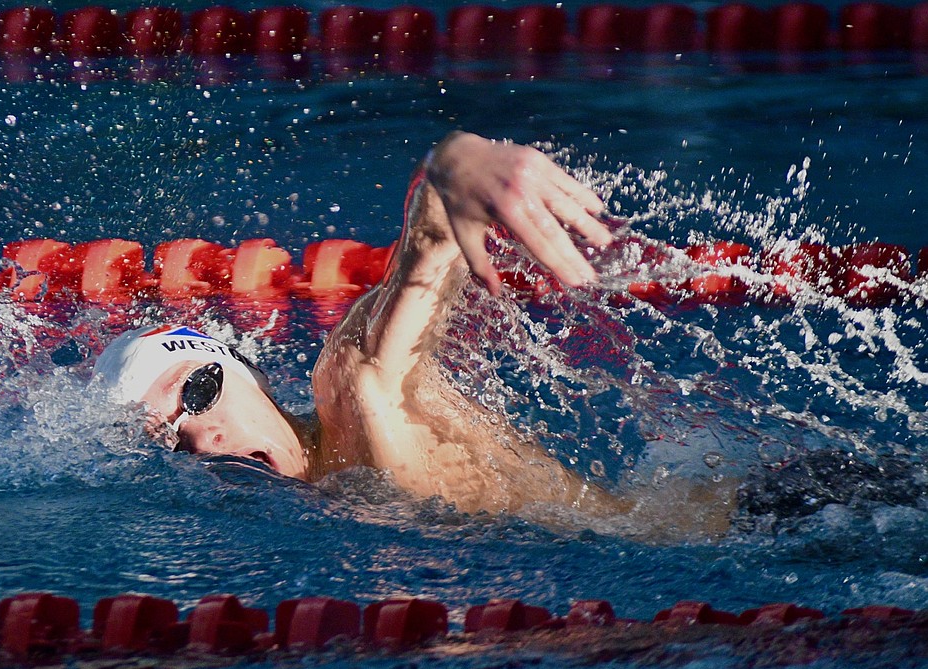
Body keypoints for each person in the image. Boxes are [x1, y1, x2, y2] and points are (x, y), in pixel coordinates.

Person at [94, 131, 632, 516]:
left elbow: (425, 256)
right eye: (172, 440)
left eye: (197, 393)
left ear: (246, 372)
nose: (205, 441)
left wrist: (455, 164)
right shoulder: (319, 491)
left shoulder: (350, 391)